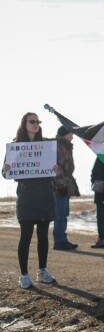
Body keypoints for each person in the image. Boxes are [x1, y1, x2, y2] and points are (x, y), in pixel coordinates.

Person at [2, 112, 56, 289]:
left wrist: (55, 169)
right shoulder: (16, 147)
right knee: (25, 236)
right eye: (32, 121)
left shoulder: (46, 146)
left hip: (45, 196)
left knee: (43, 236)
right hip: (26, 197)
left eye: (38, 121)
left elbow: (53, 171)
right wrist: (6, 169)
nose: (35, 124)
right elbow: (5, 173)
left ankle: (42, 271)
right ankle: (24, 275)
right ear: (24, 124)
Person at [52, 126, 80, 250]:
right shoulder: (59, 147)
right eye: (70, 134)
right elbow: (56, 168)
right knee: (60, 216)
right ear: (65, 134)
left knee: (63, 215)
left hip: (64, 185)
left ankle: (62, 239)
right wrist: (61, 184)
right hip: (60, 186)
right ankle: (59, 241)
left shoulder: (64, 146)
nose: (72, 137)